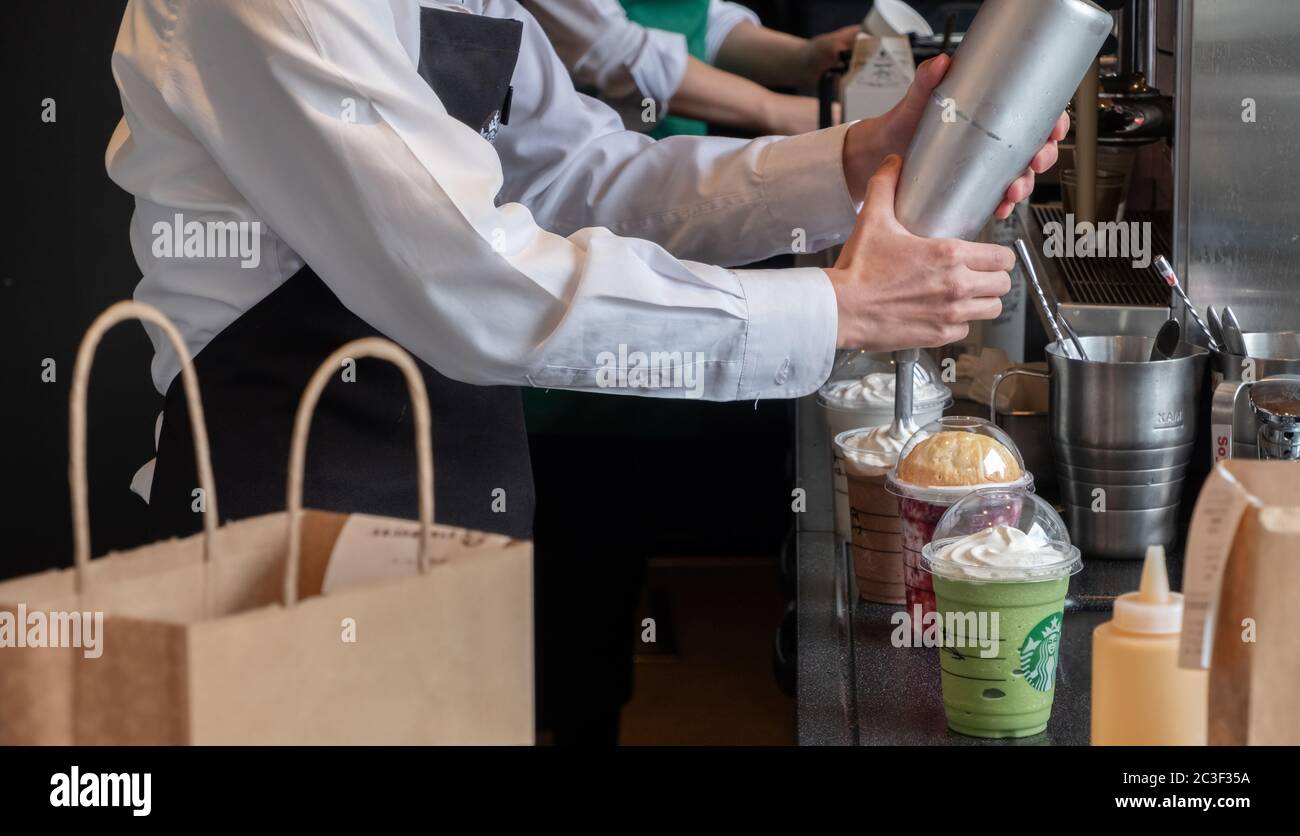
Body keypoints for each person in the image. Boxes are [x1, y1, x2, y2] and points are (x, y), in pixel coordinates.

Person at [106, 0, 1063, 742]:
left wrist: (852, 161)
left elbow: (582, 181)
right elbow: (476, 281)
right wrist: (837, 308)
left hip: (452, 517)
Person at [522, 0, 859, 136]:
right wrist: (778, 111)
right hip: (576, 164)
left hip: (669, 155)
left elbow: (697, 17)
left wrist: (804, 59)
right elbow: (609, 50)